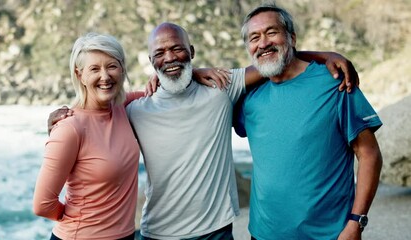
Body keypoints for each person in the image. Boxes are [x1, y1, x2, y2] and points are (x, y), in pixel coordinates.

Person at [48, 24, 358, 239]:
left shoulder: (221, 88)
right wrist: (61, 116)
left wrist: (326, 55)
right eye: (161, 53)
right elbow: (96, 111)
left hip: (216, 231)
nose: (170, 57)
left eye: (178, 49)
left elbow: (273, 61)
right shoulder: (135, 108)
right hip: (158, 232)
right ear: (151, 61)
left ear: (191, 51)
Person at [234, 3, 383, 240]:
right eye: (254, 37)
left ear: (291, 38)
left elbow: (369, 154)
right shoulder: (248, 98)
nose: (263, 43)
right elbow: (204, 87)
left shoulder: (335, 82)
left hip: (329, 234)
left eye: (271, 32)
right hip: (263, 234)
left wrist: (356, 221)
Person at [33, 32, 145, 240]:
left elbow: (162, 89)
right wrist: (81, 218)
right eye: (94, 69)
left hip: (125, 236)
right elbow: (42, 205)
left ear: (122, 69)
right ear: (79, 75)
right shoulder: (69, 128)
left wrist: (195, 72)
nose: (105, 76)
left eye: (112, 66)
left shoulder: (123, 107)